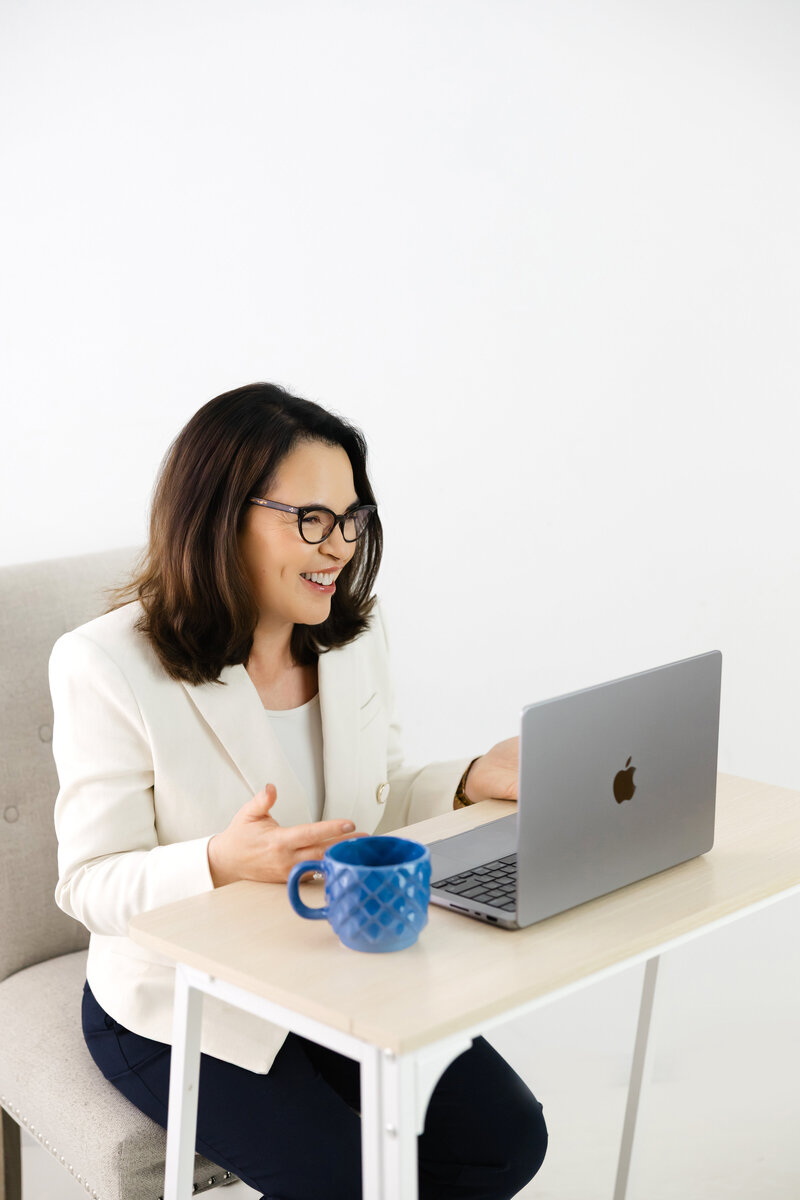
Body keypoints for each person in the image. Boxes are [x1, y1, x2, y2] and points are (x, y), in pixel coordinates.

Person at [50, 382, 548, 1199]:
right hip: (177, 1007)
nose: (340, 546)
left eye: (352, 519)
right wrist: (217, 860)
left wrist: (462, 784)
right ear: (218, 514)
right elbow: (89, 883)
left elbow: (371, 805)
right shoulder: (104, 663)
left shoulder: (351, 635)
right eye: (312, 519)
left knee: (503, 1141)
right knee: (350, 1185)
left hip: (328, 964)